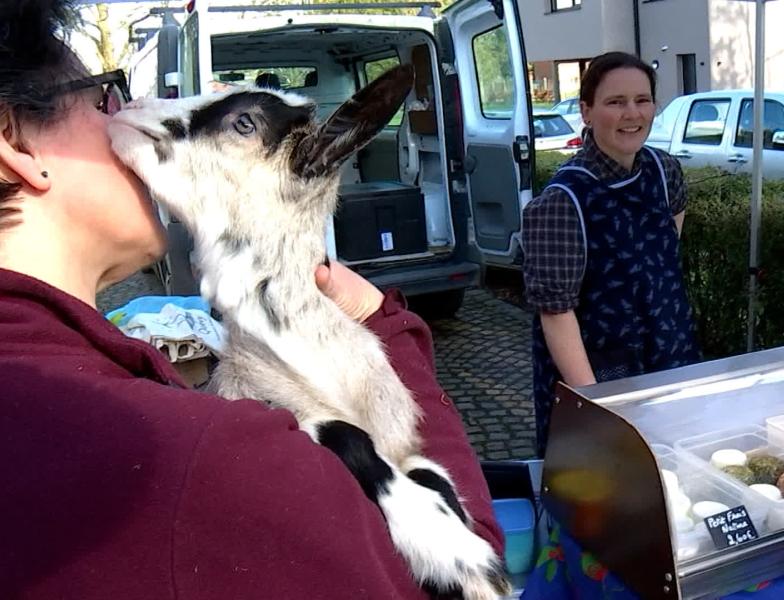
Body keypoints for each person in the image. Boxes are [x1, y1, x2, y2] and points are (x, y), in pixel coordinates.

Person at [0, 2, 500, 598]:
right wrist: (391, 334)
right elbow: (462, 581)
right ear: (15, 143)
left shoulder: (60, 378)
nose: (126, 111)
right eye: (102, 95)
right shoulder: (184, 456)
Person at [522, 52, 701, 457]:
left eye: (642, 100)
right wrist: (595, 405)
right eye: (615, 102)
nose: (631, 113)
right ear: (586, 111)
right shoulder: (561, 201)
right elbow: (556, 313)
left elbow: (664, 258)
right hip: (601, 372)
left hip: (670, 355)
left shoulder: (665, 171)